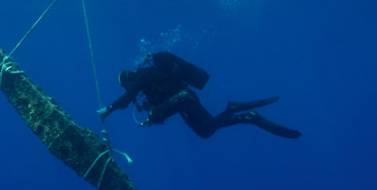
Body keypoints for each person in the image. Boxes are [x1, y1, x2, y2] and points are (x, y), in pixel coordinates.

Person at [98, 52, 301, 139]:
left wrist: (107, 110)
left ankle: (250, 118)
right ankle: (232, 109)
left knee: (208, 126)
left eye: (126, 86)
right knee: (206, 132)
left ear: (129, 80)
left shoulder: (144, 76)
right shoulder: (147, 83)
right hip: (184, 101)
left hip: (186, 98)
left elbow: (126, 99)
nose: (128, 90)